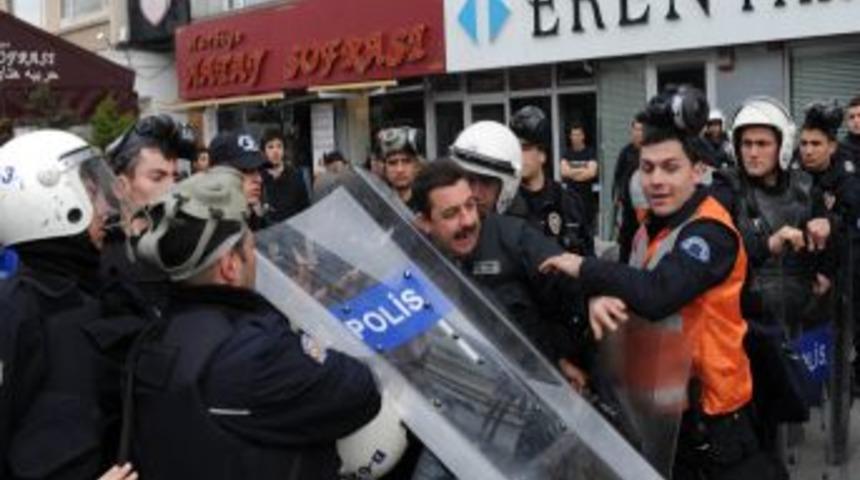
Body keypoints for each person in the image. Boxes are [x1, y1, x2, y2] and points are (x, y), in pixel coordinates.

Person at [540, 87, 782, 479]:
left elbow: (657, 294)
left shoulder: (710, 231)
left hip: (718, 423)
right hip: (665, 416)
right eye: (647, 167)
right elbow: (629, 281)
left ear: (697, 171)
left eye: (671, 167)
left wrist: (584, 267)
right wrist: (598, 293)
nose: (656, 179)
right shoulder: (648, 228)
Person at [128, 167, 382, 479]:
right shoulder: (253, 351)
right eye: (250, 248)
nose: (255, 258)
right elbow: (359, 391)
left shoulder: (155, 338)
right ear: (230, 266)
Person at [0, 130, 129, 479]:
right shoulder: (16, 313)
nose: (104, 206)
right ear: (48, 200)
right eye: (90, 192)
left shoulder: (93, 291)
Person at [729, 97, 832, 459]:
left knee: (796, 405)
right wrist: (767, 244)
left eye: (762, 144)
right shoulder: (727, 190)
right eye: (746, 144)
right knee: (757, 421)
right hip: (747, 325)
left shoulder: (806, 188)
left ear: (782, 146)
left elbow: (828, 252)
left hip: (799, 316)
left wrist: (826, 228)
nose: (753, 153)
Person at [797, 102, 860, 395]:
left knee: (843, 333)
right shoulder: (795, 171)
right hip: (802, 270)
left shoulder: (845, 175)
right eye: (804, 143)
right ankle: (810, 390)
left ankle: (842, 386)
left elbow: (848, 220)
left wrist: (827, 272)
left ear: (832, 146)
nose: (808, 150)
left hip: (842, 268)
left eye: (816, 144)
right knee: (808, 336)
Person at [509, 105, 593, 256]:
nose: (517, 154)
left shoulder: (568, 202)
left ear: (542, 155)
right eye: (514, 148)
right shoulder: (505, 204)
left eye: (525, 148)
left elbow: (587, 261)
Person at [209, 130, 274, 231]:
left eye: (258, 170)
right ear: (219, 173)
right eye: (246, 170)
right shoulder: (203, 231)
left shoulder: (257, 220)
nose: (259, 179)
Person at [613, 113, 646, 262]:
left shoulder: (649, 152)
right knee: (625, 243)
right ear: (631, 131)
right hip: (627, 208)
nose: (638, 133)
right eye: (635, 129)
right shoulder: (625, 153)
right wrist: (616, 197)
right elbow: (617, 177)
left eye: (641, 130)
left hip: (645, 208)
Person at [259, 128, 310, 223]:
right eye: (270, 147)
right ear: (264, 151)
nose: (275, 151)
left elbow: (305, 209)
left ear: (284, 149)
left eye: (279, 146)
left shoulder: (296, 176)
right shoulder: (259, 178)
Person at [560, 121, 599, 230]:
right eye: (573, 135)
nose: (575, 137)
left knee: (587, 230)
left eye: (578, 135)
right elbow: (563, 172)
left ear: (583, 136)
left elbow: (592, 172)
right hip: (571, 200)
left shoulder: (590, 152)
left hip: (587, 200)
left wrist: (572, 172)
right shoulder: (567, 153)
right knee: (573, 230)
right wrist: (583, 170)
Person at [378, 126, 423, 208]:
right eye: (392, 163)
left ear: (417, 166)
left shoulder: (428, 205)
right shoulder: (379, 204)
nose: (400, 169)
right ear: (384, 168)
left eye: (406, 161)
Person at [840, 95, 860, 165]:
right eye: (852, 117)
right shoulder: (842, 149)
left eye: (859, 115)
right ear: (846, 122)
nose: (856, 120)